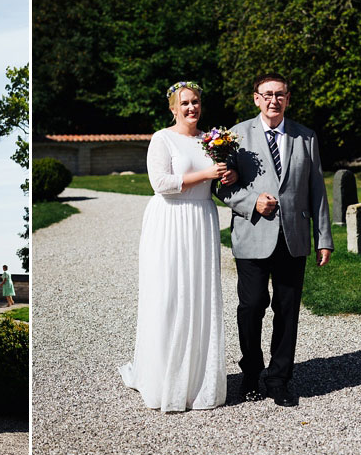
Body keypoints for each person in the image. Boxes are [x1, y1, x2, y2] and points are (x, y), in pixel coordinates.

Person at [216, 73, 333, 408]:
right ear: (256, 98)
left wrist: (323, 238)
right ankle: (251, 373)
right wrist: (252, 201)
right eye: (266, 94)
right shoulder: (235, 136)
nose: (273, 100)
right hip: (252, 234)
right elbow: (222, 187)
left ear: (288, 98)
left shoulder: (305, 137)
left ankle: (279, 378)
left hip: (293, 238)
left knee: (287, 310)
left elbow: (317, 191)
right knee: (252, 307)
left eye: (279, 95)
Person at [119, 81, 235, 412]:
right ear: (173, 108)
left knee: (199, 297)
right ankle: (163, 379)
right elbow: (162, 184)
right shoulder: (162, 138)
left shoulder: (212, 141)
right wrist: (207, 174)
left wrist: (225, 175)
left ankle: (198, 381)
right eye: (184, 103)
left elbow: (218, 180)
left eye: (195, 102)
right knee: (168, 296)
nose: (191, 108)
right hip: (169, 222)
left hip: (201, 220)